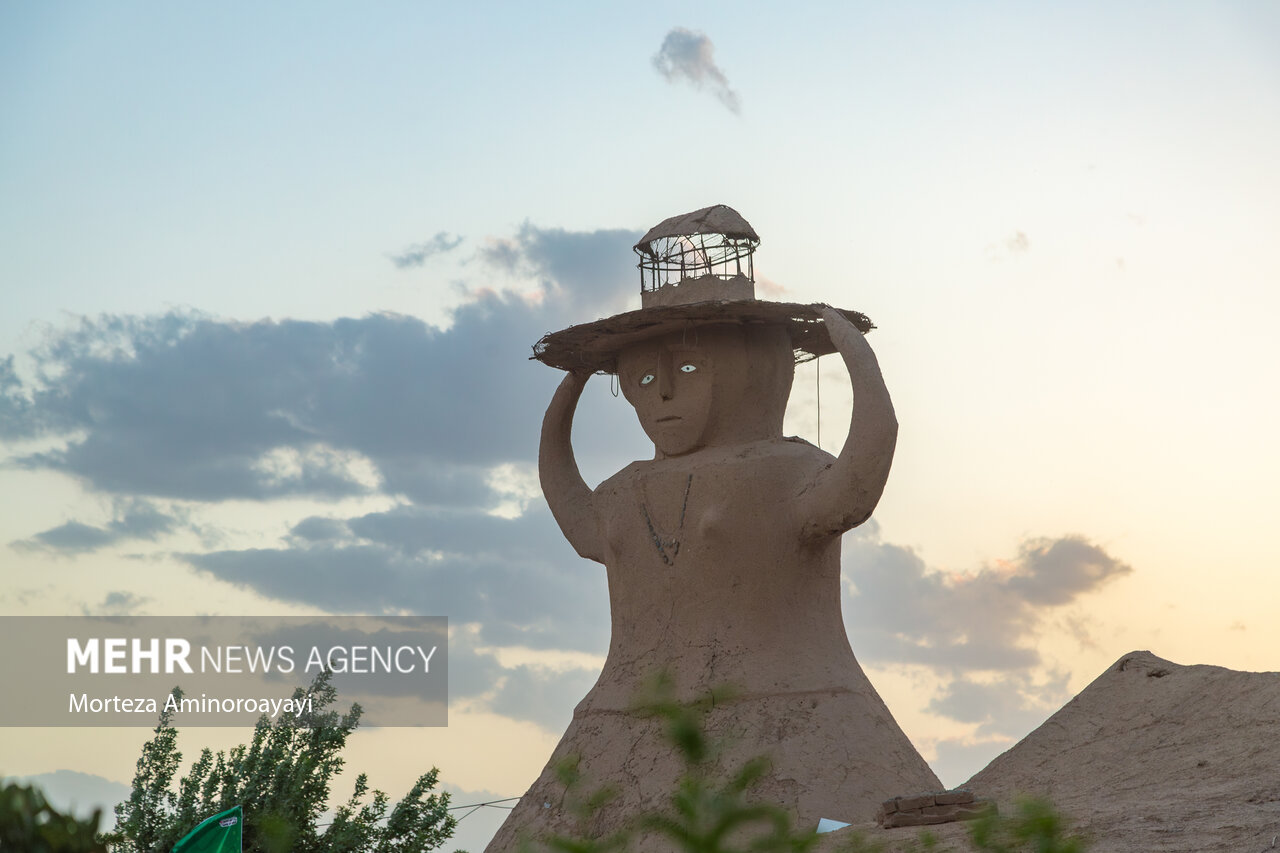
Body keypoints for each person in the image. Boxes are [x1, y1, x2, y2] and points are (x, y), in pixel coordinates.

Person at [485, 208, 938, 851]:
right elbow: (580, 515)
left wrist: (859, 361)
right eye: (643, 377)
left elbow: (860, 477)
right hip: (617, 726)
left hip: (794, 719)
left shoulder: (787, 472)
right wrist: (567, 400)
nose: (664, 392)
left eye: (692, 369)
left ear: (757, 368)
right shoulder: (623, 493)